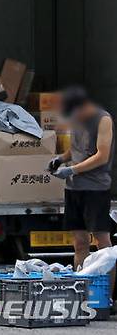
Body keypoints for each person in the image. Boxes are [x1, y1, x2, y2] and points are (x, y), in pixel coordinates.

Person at [49, 86, 116, 302]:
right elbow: (76, 148)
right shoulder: (76, 118)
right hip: (73, 189)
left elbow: (102, 155)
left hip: (95, 189)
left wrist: (73, 169)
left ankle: (108, 296)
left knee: (102, 243)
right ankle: (80, 294)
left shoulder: (103, 120)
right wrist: (61, 159)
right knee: (79, 241)